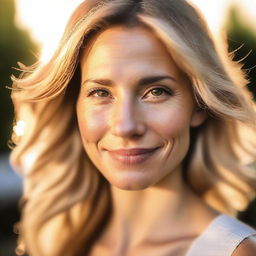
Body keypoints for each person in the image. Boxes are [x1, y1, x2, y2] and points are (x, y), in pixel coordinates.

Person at [10, 0, 256, 255]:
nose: (125, 126)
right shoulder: (54, 241)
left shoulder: (232, 252)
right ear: (74, 105)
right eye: (100, 92)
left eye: (156, 92)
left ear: (200, 104)